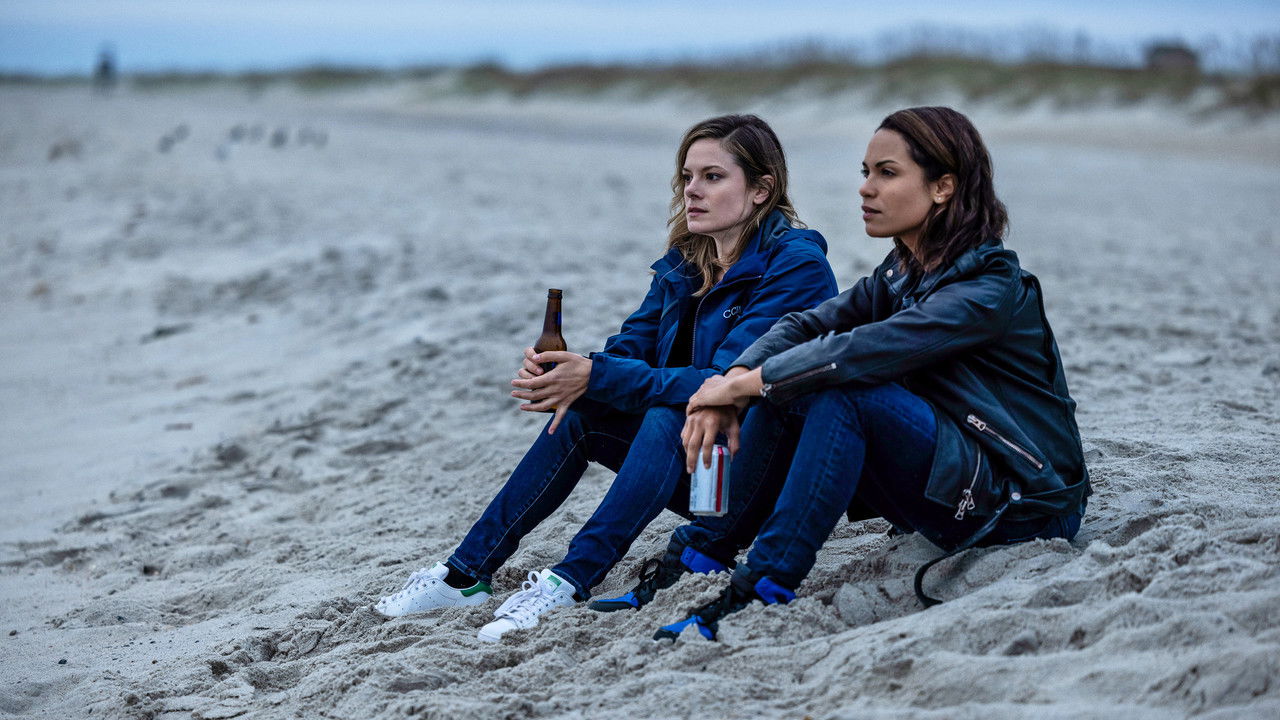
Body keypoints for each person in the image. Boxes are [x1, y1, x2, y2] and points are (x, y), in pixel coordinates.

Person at [374, 114, 838, 642]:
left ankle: (570, 580)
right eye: (687, 176)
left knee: (668, 413)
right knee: (585, 411)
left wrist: (597, 375)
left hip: (762, 479)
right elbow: (630, 347)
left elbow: (722, 381)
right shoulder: (688, 261)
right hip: (700, 466)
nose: (692, 190)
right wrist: (572, 374)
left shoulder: (796, 266)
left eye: (713, 177)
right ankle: (465, 574)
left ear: (761, 190)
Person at [650, 106, 1091, 641]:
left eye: (887, 172)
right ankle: (701, 553)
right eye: (865, 172)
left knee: (841, 393)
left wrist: (746, 385)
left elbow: (861, 349)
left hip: (1025, 504)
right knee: (794, 385)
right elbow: (809, 323)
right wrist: (736, 375)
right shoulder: (904, 273)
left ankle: (763, 586)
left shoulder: (987, 291)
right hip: (955, 472)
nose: (865, 188)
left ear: (943, 187)